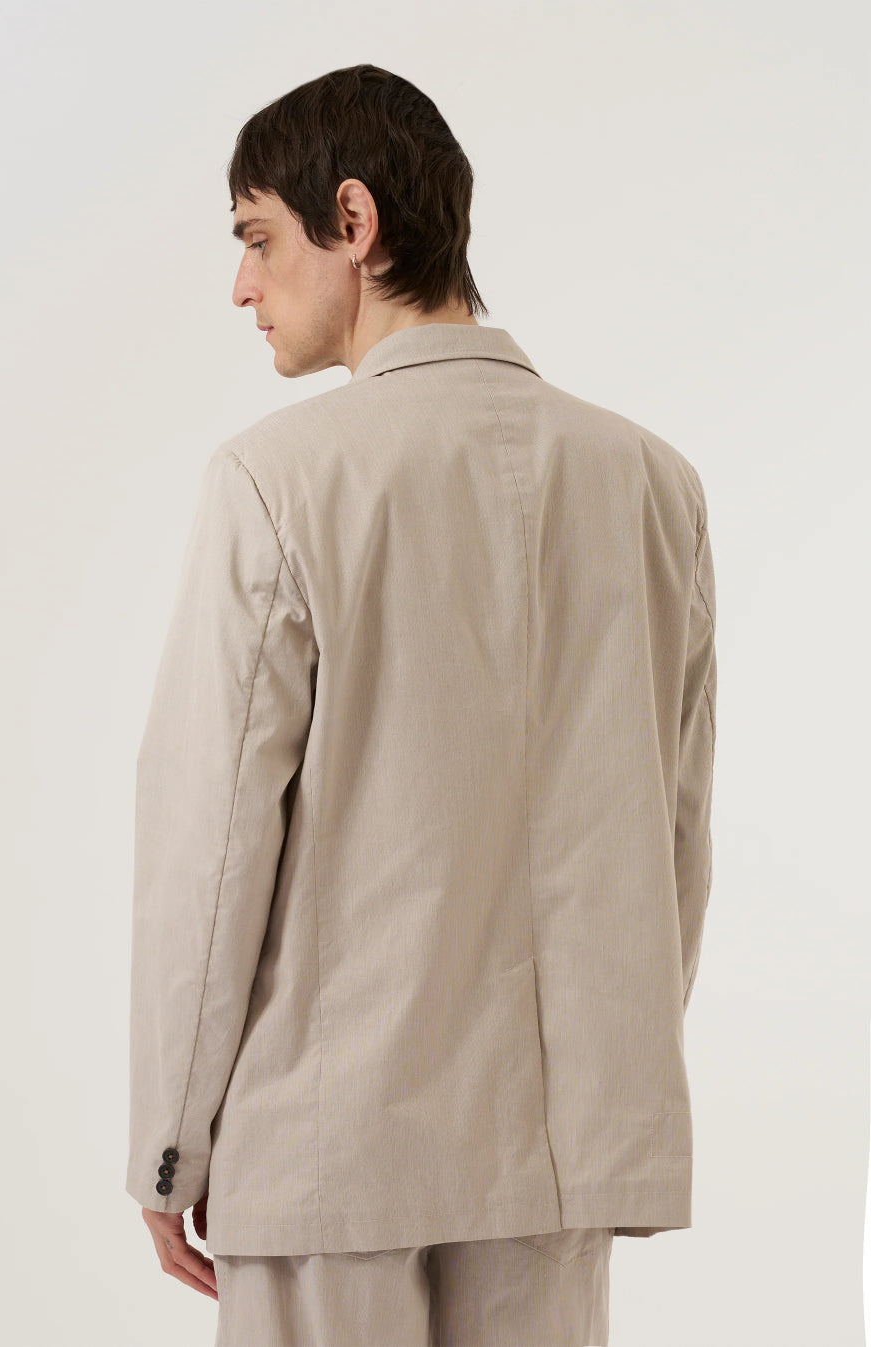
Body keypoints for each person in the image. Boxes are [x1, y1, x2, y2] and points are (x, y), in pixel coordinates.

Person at [126, 63, 718, 1347]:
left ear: (353, 221)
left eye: (256, 239)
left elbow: (209, 849)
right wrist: (592, 1093)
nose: (240, 286)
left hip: (329, 1153)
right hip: (556, 1160)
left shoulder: (278, 482)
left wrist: (170, 1145)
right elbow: (672, 842)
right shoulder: (650, 483)